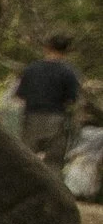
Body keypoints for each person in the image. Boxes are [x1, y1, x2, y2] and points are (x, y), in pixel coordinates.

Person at [14, 34, 84, 171]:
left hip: (32, 118)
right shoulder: (69, 72)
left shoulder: (31, 69)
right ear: (66, 51)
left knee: (27, 159)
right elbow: (71, 99)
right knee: (54, 162)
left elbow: (20, 95)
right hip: (56, 119)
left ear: (47, 48)